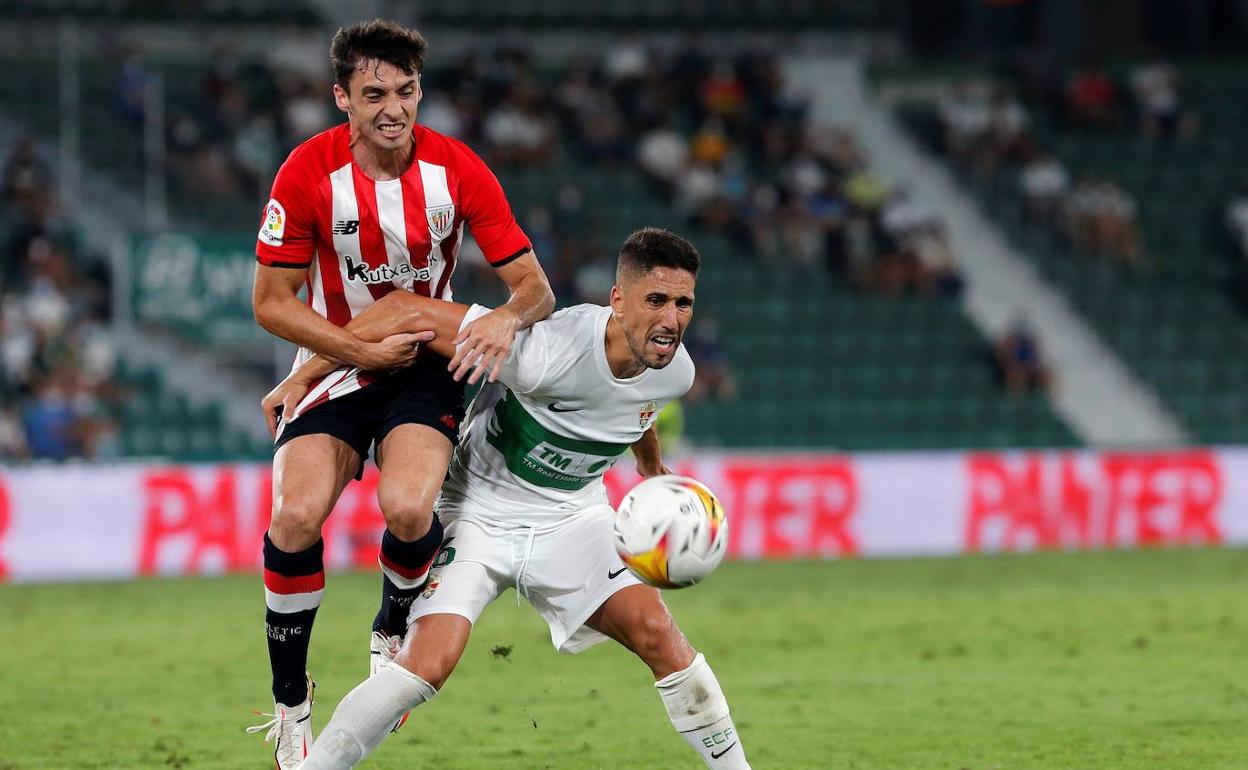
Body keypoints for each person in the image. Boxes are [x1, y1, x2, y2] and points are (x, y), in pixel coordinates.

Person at [266, 228, 751, 769]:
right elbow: (403, 308)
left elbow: (637, 405)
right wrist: (305, 377)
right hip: (479, 511)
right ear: (617, 301)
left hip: (574, 517)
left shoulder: (676, 370)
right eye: (656, 300)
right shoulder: (548, 349)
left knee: (661, 636)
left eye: (683, 303)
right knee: (428, 665)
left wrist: (651, 466)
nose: (671, 319)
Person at [247, 20, 554, 769]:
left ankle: (391, 627)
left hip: (421, 362)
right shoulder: (306, 173)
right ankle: (292, 702)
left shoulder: (458, 169)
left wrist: (504, 321)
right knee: (294, 516)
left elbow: (534, 288)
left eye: (407, 90)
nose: (394, 107)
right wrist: (344, 352)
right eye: (374, 93)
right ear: (342, 98)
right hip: (336, 360)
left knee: (413, 508)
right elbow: (270, 301)